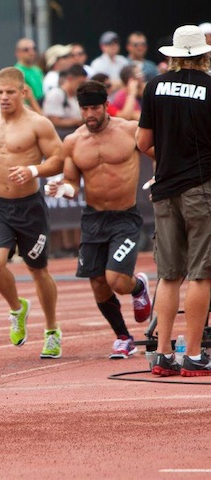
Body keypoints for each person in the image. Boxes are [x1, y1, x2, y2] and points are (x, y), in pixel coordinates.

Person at [45, 80, 152, 358]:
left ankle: (138, 286)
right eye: (85, 109)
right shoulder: (73, 141)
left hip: (125, 217)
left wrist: (159, 177)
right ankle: (123, 337)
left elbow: (157, 152)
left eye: (95, 108)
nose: (90, 114)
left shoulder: (130, 130)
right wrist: (61, 189)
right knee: (97, 282)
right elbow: (72, 185)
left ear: (106, 106)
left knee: (116, 279)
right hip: (93, 218)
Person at [0, 67, 64, 359]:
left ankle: (51, 329)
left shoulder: (39, 124)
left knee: (38, 270)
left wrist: (33, 170)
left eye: (10, 92)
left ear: (22, 92)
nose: (4, 98)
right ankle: (17, 309)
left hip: (30, 206)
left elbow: (59, 160)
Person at [136, 25, 211, 377]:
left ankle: (163, 354)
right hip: (202, 189)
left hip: (164, 189)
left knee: (168, 275)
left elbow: (142, 142)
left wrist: (166, 160)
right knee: (201, 273)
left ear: (174, 55)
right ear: (204, 54)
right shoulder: (210, 88)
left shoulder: (154, 87)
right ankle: (193, 355)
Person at [42, 64, 87, 129]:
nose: (82, 86)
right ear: (70, 79)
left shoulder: (76, 96)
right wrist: (77, 121)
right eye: (80, 83)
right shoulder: (56, 94)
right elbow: (54, 121)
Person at [14, 38, 44, 106]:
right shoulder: (17, 72)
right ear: (18, 53)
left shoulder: (37, 70)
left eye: (34, 49)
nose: (31, 52)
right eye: (26, 50)